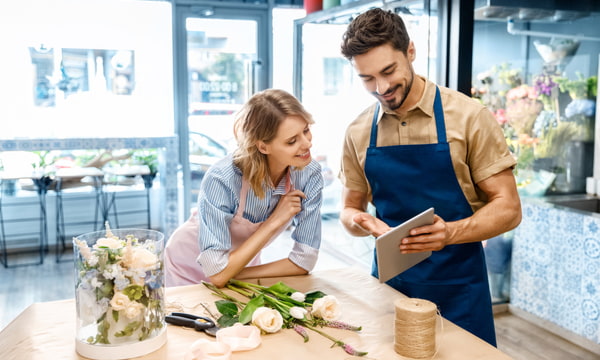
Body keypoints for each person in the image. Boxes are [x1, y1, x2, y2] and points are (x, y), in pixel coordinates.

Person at [338, 8, 522, 346]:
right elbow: (349, 210)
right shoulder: (358, 131)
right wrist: (364, 221)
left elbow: (509, 208)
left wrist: (450, 233)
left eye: (388, 71)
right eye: (366, 78)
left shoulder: (469, 117)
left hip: (460, 292)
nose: (381, 88)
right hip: (389, 291)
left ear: (410, 51)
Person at [165, 89, 324, 288]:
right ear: (263, 147)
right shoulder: (222, 179)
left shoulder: (309, 174)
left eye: (306, 130)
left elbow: (304, 260)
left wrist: (232, 273)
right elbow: (217, 272)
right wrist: (274, 221)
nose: (307, 143)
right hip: (186, 263)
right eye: (292, 141)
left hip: (239, 266)